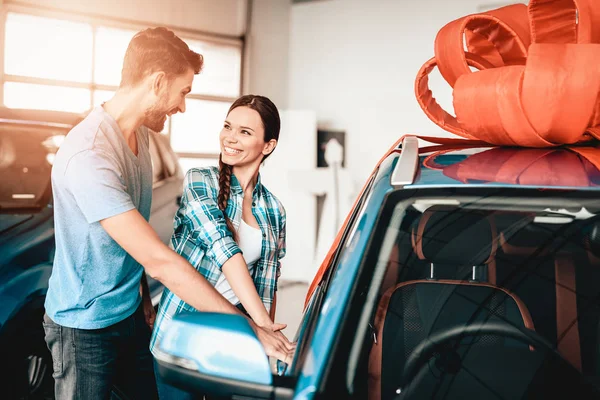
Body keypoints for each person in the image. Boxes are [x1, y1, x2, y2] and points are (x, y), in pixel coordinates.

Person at [42, 27, 293, 400]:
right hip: (85, 327)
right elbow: (160, 261)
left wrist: (143, 298)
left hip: (128, 314)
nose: (182, 106)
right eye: (183, 92)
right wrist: (253, 329)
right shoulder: (90, 155)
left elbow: (131, 238)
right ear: (158, 82)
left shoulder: (141, 136)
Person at [150, 94, 290, 399]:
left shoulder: (274, 209)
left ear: (268, 145)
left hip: (230, 340)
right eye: (228, 127)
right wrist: (263, 329)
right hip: (182, 335)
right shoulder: (199, 181)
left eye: (245, 132)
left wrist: (268, 343)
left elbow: (268, 283)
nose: (230, 137)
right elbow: (225, 250)